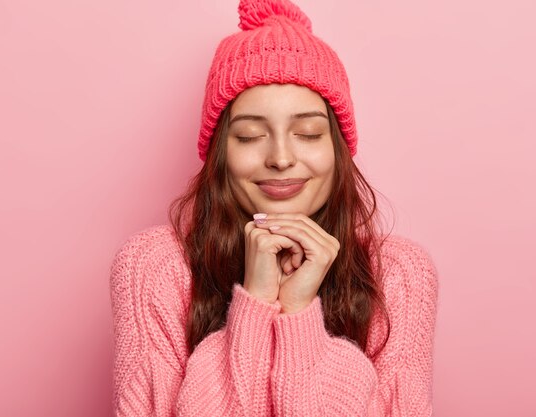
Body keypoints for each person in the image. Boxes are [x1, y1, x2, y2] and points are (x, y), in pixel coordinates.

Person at [109, 0, 439, 416]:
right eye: (249, 136)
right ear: (219, 154)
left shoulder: (398, 275)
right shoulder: (153, 268)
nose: (281, 157)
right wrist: (256, 301)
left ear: (338, 150)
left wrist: (299, 312)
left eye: (308, 132)